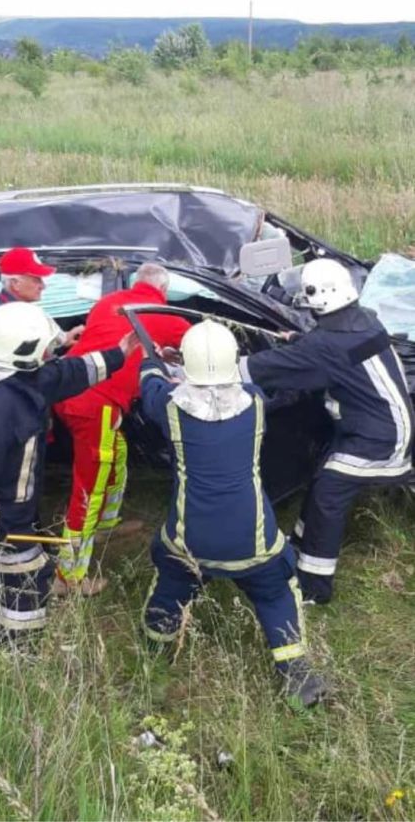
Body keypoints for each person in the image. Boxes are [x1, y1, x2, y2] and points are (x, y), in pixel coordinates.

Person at [139, 320, 327, 708]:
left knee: (172, 583)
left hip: (190, 540)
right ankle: (296, 673)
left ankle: (154, 656)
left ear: (187, 366)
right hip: (251, 538)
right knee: (276, 591)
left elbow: (150, 387)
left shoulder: (170, 408)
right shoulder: (254, 401)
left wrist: (154, 361)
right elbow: (226, 389)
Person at [0, 301, 138, 648]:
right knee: (29, 581)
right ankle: (15, 654)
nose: (50, 352)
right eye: (44, 347)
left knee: (12, 581)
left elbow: (69, 373)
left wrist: (119, 354)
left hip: (15, 513)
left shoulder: (23, 379)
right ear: (24, 350)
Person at [240, 259, 414, 604]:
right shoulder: (367, 320)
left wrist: (206, 367)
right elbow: (340, 353)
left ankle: (313, 587)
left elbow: (264, 369)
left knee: (328, 494)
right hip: (393, 428)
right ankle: (300, 546)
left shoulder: (325, 347)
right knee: (324, 474)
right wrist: (303, 340)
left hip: (381, 444)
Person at [54, 263, 191, 595]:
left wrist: (158, 351)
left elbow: (116, 335)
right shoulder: (165, 313)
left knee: (117, 455)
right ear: (164, 289)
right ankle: (68, 577)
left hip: (69, 386)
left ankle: (106, 525)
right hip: (94, 404)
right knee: (89, 488)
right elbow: (201, 346)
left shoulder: (109, 301)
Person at [0, 246, 83, 348]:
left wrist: (65, 338)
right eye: (37, 280)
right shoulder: (15, 316)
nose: (43, 286)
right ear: (16, 283)